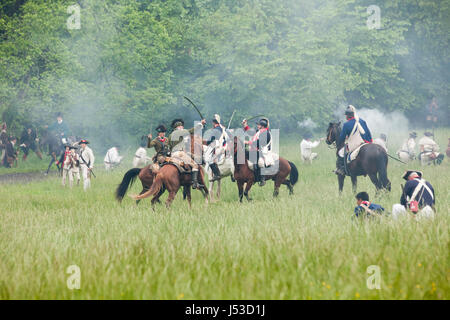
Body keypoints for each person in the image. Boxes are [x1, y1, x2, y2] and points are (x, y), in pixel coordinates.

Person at [167, 118, 206, 189]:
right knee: (195, 165)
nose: (182, 128)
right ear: (179, 127)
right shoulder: (180, 132)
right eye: (182, 126)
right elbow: (191, 131)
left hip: (173, 155)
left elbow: (168, 147)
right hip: (180, 154)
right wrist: (201, 124)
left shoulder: (170, 135)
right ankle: (195, 183)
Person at [335, 105, 372, 175]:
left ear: (347, 116)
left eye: (346, 115)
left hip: (354, 144)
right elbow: (367, 132)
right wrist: (369, 142)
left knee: (341, 153)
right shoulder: (362, 121)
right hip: (365, 142)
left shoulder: (346, 124)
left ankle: (342, 169)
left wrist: (340, 142)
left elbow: (342, 137)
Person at [242, 117, 272, 186]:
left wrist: (247, 142)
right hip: (255, 150)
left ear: (262, 126)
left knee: (259, 163)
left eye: (258, 125)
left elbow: (259, 143)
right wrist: (245, 125)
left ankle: (262, 178)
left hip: (263, 151)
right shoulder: (258, 131)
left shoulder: (266, 133)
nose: (257, 126)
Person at [204, 114, 227, 181]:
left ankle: (217, 174)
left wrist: (207, 143)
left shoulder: (216, 129)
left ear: (214, 123)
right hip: (219, 145)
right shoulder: (220, 128)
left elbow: (212, 138)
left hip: (217, 146)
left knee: (209, 159)